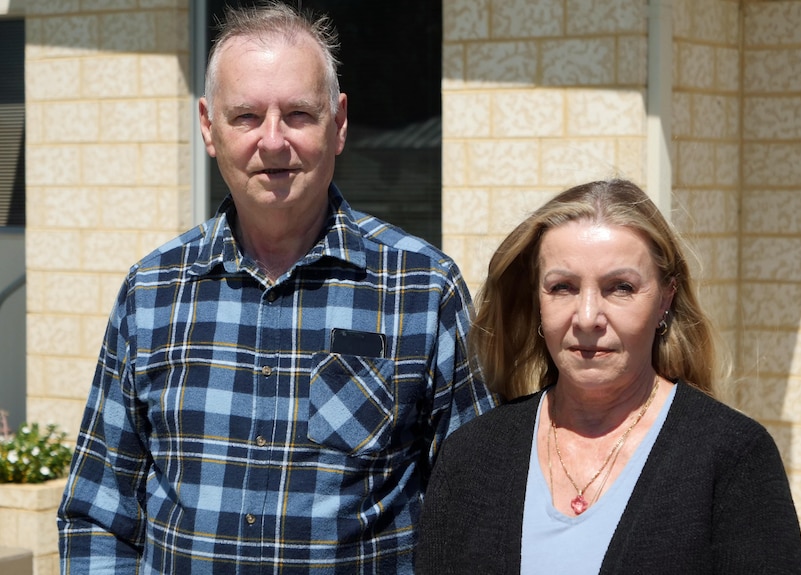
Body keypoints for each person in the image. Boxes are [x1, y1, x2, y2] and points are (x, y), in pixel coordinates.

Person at [57, 2, 496, 573]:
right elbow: (98, 510)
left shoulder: (422, 288)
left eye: (297, 114)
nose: (272, 141)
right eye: (245, 116)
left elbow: (477, 509)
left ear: (338, 124)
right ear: (209, 127)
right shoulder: (152, 291)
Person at [415, 179, 801, 574]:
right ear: (537, 299)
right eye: (562, 287)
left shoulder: (734, 457)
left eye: (620, 288)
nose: (587, 318)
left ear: (665, 300)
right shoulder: (471, 455)